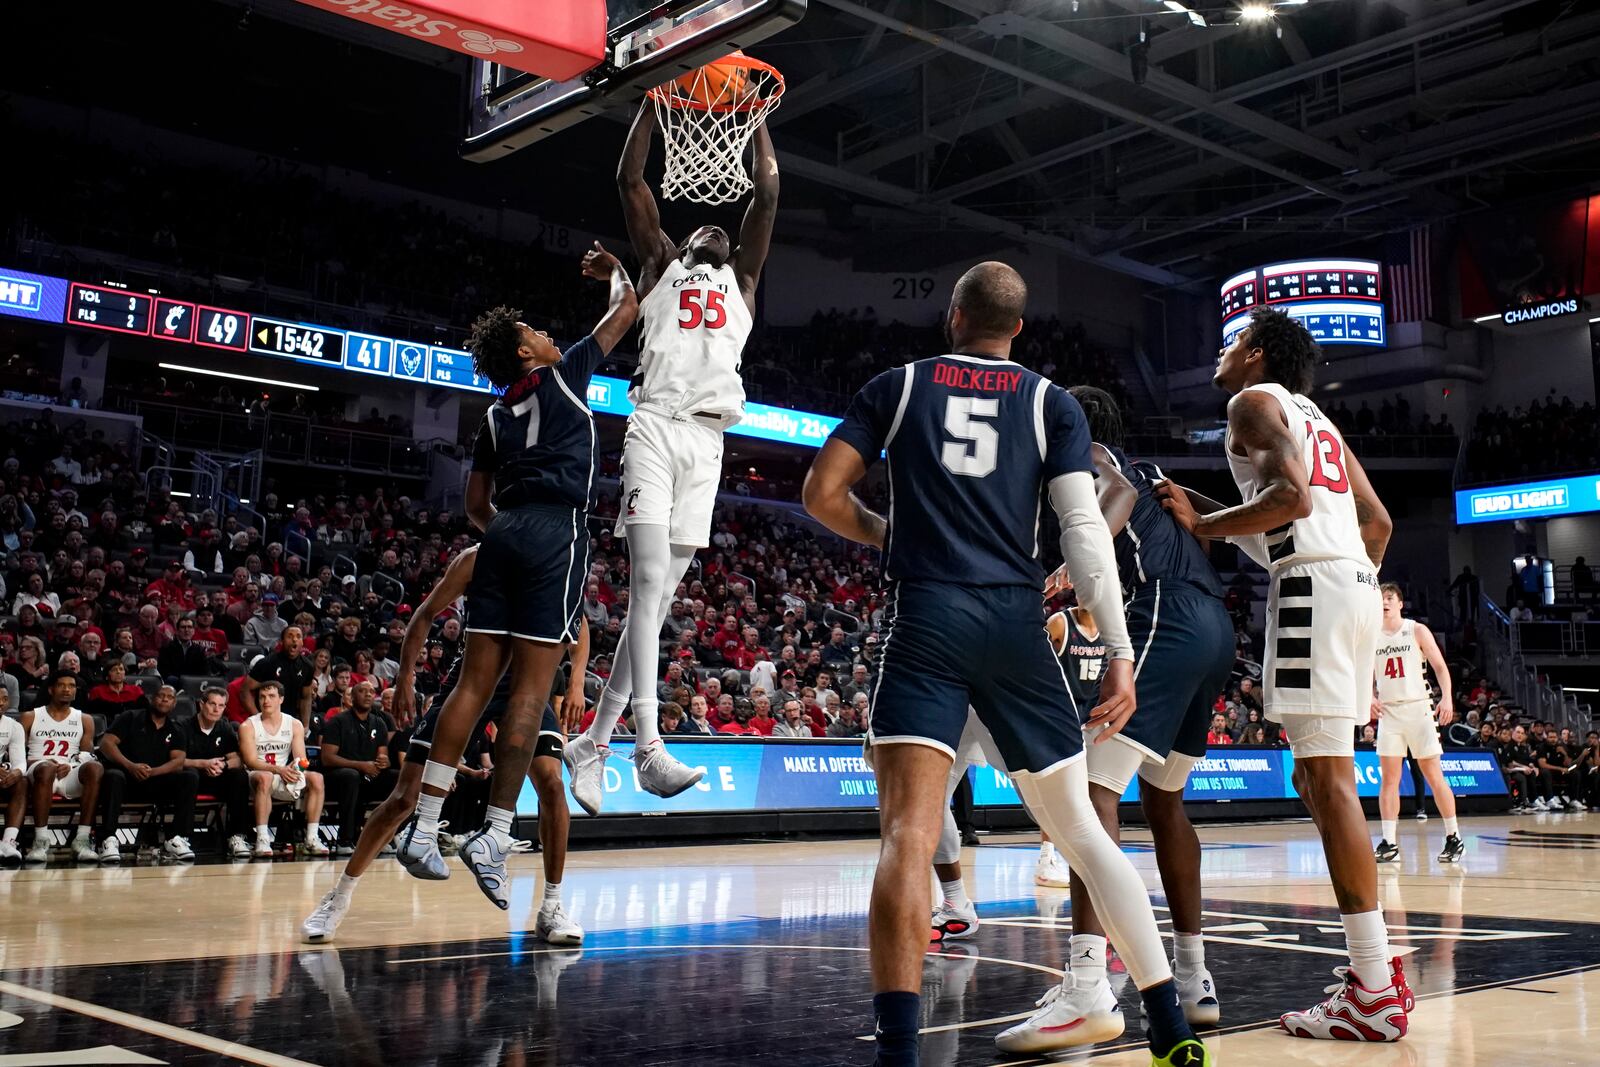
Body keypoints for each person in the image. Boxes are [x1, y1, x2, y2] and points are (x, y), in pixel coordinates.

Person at [803, 261, 1206, 1067]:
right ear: (1017, 327)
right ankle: (1171, 1028)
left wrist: (890, 534)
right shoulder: (1049, 401)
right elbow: (1085, 534)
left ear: (953, 314)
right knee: (1085, 833)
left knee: (909, 837)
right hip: (1016, 626)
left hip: (927, 618)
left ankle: (897, 1054)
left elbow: (821, 493)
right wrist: (1121, 652)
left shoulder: (900, 383)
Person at [1158, 305, 1407, 1041]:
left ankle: (1371, 986)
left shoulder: (1248, 403)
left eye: (1234, 342)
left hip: (1315, 593)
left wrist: (1204, 527)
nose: (1223, 354)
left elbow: (1290, 500)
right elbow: (1377, 523)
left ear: (1258, 354)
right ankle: (1374, 976)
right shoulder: (1315, 418)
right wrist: (1204, 511)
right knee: (1314, 777)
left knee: (1327, 782)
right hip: (1352, 584)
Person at [399, 243, 635, 907]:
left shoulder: (496, 416)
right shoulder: (566, 377)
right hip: (554, 530)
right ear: (527, 354)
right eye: (535, 330)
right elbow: (628, 310)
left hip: (501, 533)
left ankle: (424, 828)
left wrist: (506, 530)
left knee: (474, 684)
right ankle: (495, 834)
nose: (547, 333)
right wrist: (615, 269)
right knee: (530, 690)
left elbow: (475, 506)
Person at [564, 101, 780, 814]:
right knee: (650, 580)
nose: (716, 227)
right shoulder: (660, 265)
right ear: (681, 243)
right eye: (702, 226)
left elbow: (768, 186)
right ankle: (647, 747)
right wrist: (654, 102)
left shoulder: (743, 282)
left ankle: (593, 741)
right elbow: (630, 179)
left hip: (710, 443)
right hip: (655, 425)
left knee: (654, 607)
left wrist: (752, 117)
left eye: (725, 226)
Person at [1047, 386, 1236, 1029]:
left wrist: (1078, 559)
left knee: (1092, 787)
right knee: (1164, 797)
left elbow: (1117, 501)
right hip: (1213, 622)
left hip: (1167, 615)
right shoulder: (1152, 468)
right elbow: (1192, 539)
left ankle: (1087, 980)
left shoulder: (1095, 458)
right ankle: (1192, 976)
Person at [303, 547, 586, 943]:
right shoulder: (478, 557)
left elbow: (581, 623)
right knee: (405, 795)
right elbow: (424, 614)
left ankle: (552, 906)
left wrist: (575, 683)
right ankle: (339, 896)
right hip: (471, 680)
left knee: (552, 787)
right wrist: (405, 676)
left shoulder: (559, 554)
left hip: (528, 686)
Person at [1370, 583, 1464, 864]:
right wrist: (1368, 697)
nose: (1384, 602)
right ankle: (1389, 842)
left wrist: (1447, 698)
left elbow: (1439, 666)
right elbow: (1362, 673)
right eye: (1380, 598)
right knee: (1389, 780)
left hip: (1419, 708)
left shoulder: (1416, 630)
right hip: (1389, 713)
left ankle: (1454, 837)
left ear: (1400, 603)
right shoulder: (1370, 634)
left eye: (1389, 598)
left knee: (1434, 775)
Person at [97, 684, 198, 862]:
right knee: (113, 776)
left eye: (170, 697)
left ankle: (176, 838)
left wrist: (153, 772)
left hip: (155, 781)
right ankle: (108, 839)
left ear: (174, 704)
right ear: (152, 699)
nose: (165, 699)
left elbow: (178, 761)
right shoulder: (131, 717)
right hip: (126, 779)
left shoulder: (176, 728)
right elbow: (106, 744)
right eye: (161, 695)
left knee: (189, 777)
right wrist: (130, 766)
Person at [23, 671, 105, 864]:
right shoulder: (30, 716)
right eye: (62, 685)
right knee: (46, 769)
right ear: (51, 689)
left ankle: (82, 839)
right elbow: (18, 755)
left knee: (95, 768)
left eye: (72, 686)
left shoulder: (84, 719)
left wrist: (70, 764)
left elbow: (87, 754)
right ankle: (41, 841)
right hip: (39, 772)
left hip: (69, 772)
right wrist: (38, 763)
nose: (67, 689)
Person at [239, 680, 328, 858]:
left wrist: (297, 772)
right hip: (255, 778)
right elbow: (249, 761)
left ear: (281, 699)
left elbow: (302, 759)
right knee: (265, 777)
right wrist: (279, 770)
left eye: (271, 696)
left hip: (283, 774)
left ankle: (311, 838)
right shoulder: (248, 726)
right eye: (262, 697)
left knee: (317, 778)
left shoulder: (294, 724)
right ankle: (262, 839)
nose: (266, 701)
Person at [318, 680, 397, 856]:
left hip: (367, 776)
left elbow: (382, 755)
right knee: (351, 775)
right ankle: (344, 840)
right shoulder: (337, 722)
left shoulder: (379, 723)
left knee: (396, 778)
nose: (368, 694)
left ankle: (384, 836)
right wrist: (361, 765)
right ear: (352, 698)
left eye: (371, 691)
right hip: (338, 778)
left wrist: (385, 762)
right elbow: (327, 758)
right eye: (362, 691)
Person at [183, 686, 251, 858]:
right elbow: (175, 761)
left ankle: (236, 836)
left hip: (216, 777)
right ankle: (182, 838)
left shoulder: (224, 727)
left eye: (221, 706)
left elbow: (237, 759)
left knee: (239, 775)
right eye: (212, 704)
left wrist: (224, 766)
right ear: (201, 704)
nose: (216, 709)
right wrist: (203, 764)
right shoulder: (184, 726)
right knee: (189, 776)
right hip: (192, 779)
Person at [241, 625, 316, 726]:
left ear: (302, 642)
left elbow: (306, 697)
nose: (294, 639)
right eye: (290, 636)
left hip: (289, 721)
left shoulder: (307, 666)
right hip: (266, 719)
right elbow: (245, 691)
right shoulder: (267, 663)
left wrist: (305, 725)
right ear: (282, 641)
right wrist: (258, 718)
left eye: (298, 637)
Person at [0, 704, 26, 863]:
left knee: (21, 781)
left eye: (4, 698)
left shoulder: (13, 726)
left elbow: (20, 762)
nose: (1, 703)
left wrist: (17, 772)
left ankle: (8, 842)